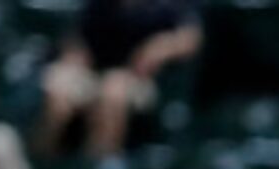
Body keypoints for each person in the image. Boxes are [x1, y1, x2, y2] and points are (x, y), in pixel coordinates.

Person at [36, 0, 200, 160]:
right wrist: (74, 53)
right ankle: (43, 164)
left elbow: (190, 39)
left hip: (142, 82)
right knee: (60, 84)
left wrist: (164, 47)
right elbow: (76, 37)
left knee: (113, 91)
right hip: (93, 74)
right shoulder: (101, 4)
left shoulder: (171, 5)